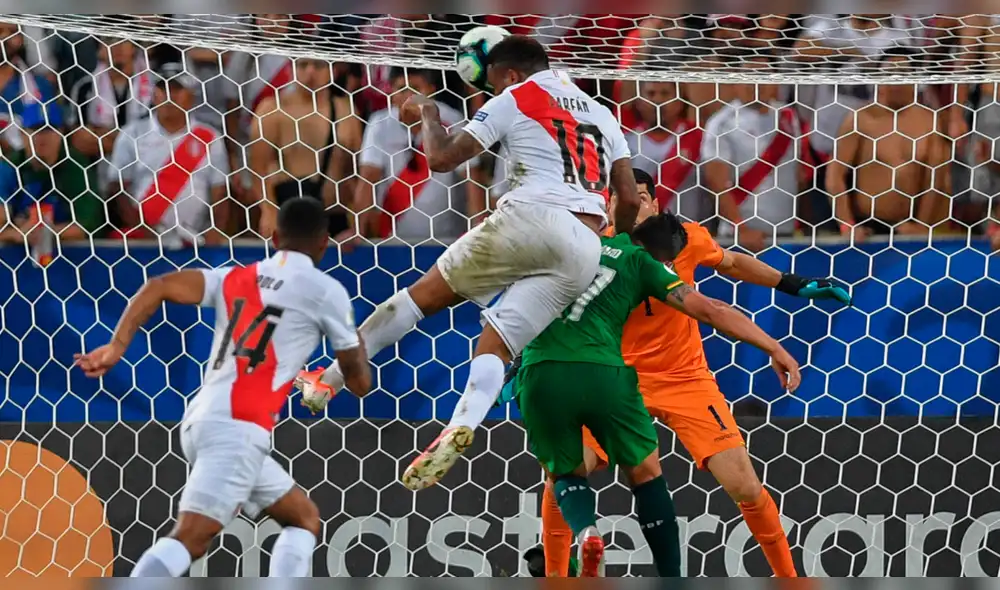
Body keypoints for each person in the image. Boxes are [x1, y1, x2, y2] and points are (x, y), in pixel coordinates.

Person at [294, 35, 642, 491]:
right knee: (496, 346)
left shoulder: (517, 96)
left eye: (497, 81)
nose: (496, 91)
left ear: (511, 74)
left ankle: (330, 379)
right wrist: (616, 236)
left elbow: (439, 158)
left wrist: (428, 114)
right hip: (585, 243)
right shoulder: (599, 112)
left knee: (420, 299)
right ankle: (463, 422)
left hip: (531, 215)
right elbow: (630, 197)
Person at [513, 170, 850, 578]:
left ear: (655, 204)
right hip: (615, 378)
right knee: (566, 470)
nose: (632, 206)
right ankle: (556, 574)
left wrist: (794, 284)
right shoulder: (589, 250)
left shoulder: (682, 237)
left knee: (743, 484)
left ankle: (790, 580)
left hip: (684, 377)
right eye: (622, 199)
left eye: (640, 197)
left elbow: (731, 262)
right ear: (607, 208)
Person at [74, 198, 371, 578]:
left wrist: (117, 347)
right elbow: (357, 379)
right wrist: (357, 354)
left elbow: (159, 286)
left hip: (202, 418)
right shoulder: (326, 291)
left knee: (303, 519)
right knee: (191, 538)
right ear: (324, 245)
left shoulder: (234, 276)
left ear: (274, 236)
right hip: (239, 429)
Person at [826, 48, 951, 241]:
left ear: (914, 80)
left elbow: (936, 181)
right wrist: (847, 225)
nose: (894, 81)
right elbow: (835, 176)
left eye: (901, 74)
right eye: (887, 74)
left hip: (910, 227)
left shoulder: (930, 122)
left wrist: (922, 226)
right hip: (866, 229)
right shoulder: (861, 118)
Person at [351, 67, 486, 242]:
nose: (409, 97)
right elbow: (368, 177)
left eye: (415, 89)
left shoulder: (452, 120)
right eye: (401, 89)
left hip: (446, 236)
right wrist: (357, 231)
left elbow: (471, 177)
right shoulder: (380, 123)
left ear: (431, 90)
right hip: (392, 238)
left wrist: (479, 228)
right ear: (391, 92)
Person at [106, 63, 230, 247]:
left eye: (176, 89)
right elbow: (118, 190)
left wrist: (216, 230)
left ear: (192, 96)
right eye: (163, 89)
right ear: (154, 95)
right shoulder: (131, 134)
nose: (169, 96)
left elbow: (220, 194)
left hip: (196, 242)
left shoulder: (210, 137)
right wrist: (145, 232)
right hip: (144, 242)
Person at [702, 54, 813, 252]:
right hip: (741, 238)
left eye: (764, 75)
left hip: (786, 233)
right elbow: (716, 182)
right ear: (736, 81)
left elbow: (797, 175)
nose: (757, 83)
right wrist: (741, 230)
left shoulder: (788, 117)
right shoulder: (721, 122)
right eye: (749, 75)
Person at [251, 57, 362, 240]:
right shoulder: (272, 108)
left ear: (332, 72)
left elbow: (354, 174)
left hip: (333, 216)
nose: (310, 72)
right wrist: (268, 210)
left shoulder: (347, 110)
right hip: (288, 214)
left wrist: (359, 221)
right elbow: (258, 168)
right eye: (302, 65)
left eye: (318, 65)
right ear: (291, 70)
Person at [0, 102, 103, 243]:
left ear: (61, 133)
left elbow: (87, 226)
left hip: (70, 255)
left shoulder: (76, 167)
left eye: (49, 129)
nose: (42, 137)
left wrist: (44, 232)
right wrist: (17, 234)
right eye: (35, 129)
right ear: (22, 134)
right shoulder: (10, 166)